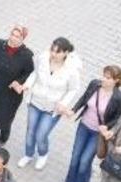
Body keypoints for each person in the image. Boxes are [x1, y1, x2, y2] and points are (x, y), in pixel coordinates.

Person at [17, 37, 82, 170]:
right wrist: (27, 85)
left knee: (41, 134)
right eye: (52, 50)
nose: (53, 54)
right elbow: (35, 74)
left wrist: (63, 103)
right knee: (30, 131)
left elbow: (73, 89)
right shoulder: (43, 58)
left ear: (65, 53)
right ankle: (28, 155)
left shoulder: (71, 70)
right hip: (36, 101)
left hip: (52, 108)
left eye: (57, 52)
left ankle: (42, 154)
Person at [63, 65, 121, 182]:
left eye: (108, 78)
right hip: (84, 125)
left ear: (116, 81)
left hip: (98, 133)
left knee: (85, 159)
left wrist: (107, 127)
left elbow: (117, 118)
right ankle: (70, 180)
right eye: (103, 76)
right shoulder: (94, 84)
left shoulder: (119, 97)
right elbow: (84, 98)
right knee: (76, 155)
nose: (103, 79)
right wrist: (74, 110)